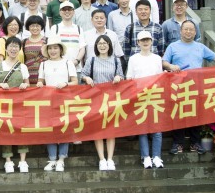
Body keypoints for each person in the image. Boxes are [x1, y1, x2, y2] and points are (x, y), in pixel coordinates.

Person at [163, 20, 215, 154]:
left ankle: (195, 143)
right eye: (186, 29)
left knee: (196, 115)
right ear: (180, 31)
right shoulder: (173, 46)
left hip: (196, 86)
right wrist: (171, 66)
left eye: (191, 29)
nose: (188, 32)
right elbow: (164, 62)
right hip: (179, 87)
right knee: (178, 115)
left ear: (195, 32)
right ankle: (178, 144)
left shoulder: (200, 47)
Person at [80, 34, 123, 171]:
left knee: (110, 129)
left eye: (105, 43)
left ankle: (110, 158)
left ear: (109, 45)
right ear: (96, 46)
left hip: (111, 99)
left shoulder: (116, 60)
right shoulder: (91, 60)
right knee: (98, 129)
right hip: (96, 99)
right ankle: (102, 159)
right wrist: (86, 78)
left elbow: (122, 76)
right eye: (100, 44)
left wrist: (118, 77)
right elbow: (83, 74)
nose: (102, 46)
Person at [36, 35, 77, 172]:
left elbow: (75, 81)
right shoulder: (43, 64)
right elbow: (41, 80)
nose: (53, 51)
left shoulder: (68, 63)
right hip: (48, 101)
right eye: (50, 48)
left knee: (64, 128)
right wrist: (39, 83)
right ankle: (52, 159)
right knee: (50, 129)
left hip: (64, 100)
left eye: (55, 48)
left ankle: (61, 159)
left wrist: (65, 83)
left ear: (60, 49)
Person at [0, 36, 30, 173]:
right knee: (6, 130)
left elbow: (27, 83)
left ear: (19, 49)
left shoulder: (23, 66)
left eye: (16, 46)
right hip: (4, 104)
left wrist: (25, 85)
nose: (13, 49)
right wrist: (0, 85)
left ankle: (23, 160)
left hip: (20, 104)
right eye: (11, 46)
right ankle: (8, 160)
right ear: (6, 48)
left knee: (22, 130)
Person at [126, 30, 164, 169]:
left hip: (155, 96)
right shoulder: (133, 58)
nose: (145, 42)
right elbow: (129, 77)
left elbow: (160, 77)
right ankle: (146, 156)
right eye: (143, 40)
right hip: (140, 96)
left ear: (152, 41)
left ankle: (157, 156)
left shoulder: (157, 58)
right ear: (138, 42)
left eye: (147, 39)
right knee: (142, 128)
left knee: (157, 128)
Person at [122, 0, 164, 66]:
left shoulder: (158, 28)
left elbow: (161, 49)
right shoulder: (130, 28)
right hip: (136, 64)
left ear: (150, 11)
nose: (143, 11)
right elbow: (126, 49)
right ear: (136, 12)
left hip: (153, 64)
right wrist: (130, 63)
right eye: (140, 9)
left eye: (146, 9)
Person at [50, 1, 86, 78]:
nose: (67, 11)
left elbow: (82, 48)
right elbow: (51, 48)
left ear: (73, 12)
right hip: (59, 68)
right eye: (64, 9)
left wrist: (76, 61)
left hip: (76, 69)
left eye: (69, 9)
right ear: (60, 12)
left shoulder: (79, 28)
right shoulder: (55, 28)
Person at [22, 15, 46, 85]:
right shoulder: (24, 42)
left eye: (37, 26)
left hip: (43, 77)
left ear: (41, 27)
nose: (35, 28)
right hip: (27, 77)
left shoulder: (46, 40)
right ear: (28, 27)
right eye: (32, 26)